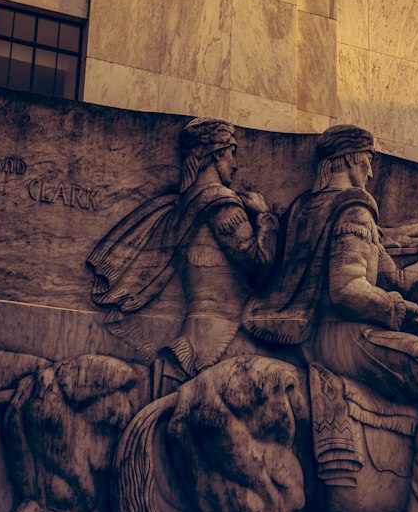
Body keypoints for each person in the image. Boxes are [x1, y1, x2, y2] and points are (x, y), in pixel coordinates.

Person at [244, 124, 418, 512]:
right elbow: (349, 289)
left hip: (313, 339)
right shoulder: (353, 211)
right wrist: (395, 308)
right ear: (351, 158)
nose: (370, 172)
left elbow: (398, 278)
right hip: (345, 339)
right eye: (367, 160)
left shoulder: (302, 210)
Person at [88, 119, 277, 381]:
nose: (235, 164)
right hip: (223, 334)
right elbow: (257, 266)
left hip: (195, 328)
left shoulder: (184, 204)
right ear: (218, 153)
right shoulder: (223, 204)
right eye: (232, 154)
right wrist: (266, 218)